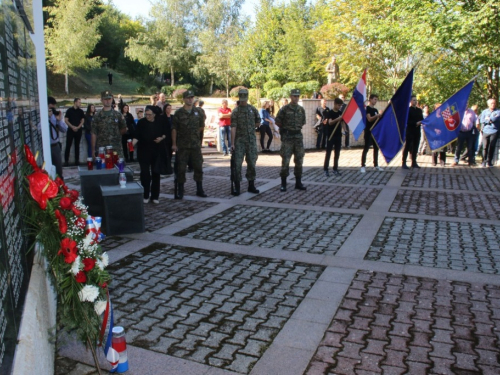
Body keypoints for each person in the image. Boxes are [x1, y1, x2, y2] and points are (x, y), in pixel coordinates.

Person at [172, 90, 207, 198]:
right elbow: (174, 129)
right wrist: (174, 144)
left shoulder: (199, 112)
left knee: (198, 167)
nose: (190, 99)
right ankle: (181, 190)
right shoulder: (179, 113)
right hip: (182, 145)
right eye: (188, 98)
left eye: (191, 97)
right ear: (184, 99)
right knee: (181, 168)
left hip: (195, 145)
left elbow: (201, 127)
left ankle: (199, 189)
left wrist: (194, 135)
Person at [133, 106, 167, 204]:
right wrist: (131, 145)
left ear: (154, 114)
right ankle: (145, 194)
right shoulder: (141, 122)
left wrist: (161, 138)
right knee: (145, 174)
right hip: (143, 151)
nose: (147, 116)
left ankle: (155, 196)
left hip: (156, 151)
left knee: (156, 173)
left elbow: (165, 133)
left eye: (149, 115)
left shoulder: (160, 122)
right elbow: (137, 136)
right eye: (146, 114)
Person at [230, 89, 261, 196]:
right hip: (239, 141)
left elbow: (258, 122)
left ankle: (251, 185)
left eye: (244, 99)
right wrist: (232, 143)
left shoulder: (252, 109)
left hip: (251, 141)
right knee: (237, 164)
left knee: (252, 163)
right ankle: (237, 186)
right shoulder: (236, 111)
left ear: (247, 97)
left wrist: (251, 127)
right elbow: (233, 127)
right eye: (241, 99)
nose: (243, 101)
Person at [275, 89, 307, 192]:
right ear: (290, 96)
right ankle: (283, 184)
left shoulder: (301, 110)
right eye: (294, 96)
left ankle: (298, 183)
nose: (296, 98)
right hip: (288, 138)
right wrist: (285, 129)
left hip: (298, 138)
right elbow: (277, 121)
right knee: (285, 161)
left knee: (299, 161)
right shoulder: (284, 109)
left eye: (297, 96)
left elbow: (302, 122)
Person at [91, 90, 127, 158]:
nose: (107, 101)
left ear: (112, 99)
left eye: (109, 99)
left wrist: (116, 134)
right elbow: (93, 133)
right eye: (105, 99)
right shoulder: (97, 116)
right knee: (103, 167)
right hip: (102, 150)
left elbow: (124, 129)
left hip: (116, 149)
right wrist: (93, 150)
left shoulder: (118, 115)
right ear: (101, 100)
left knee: (119, 167)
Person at [361, 94, 383, 173]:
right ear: (370, 99)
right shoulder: (367, 109)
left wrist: (379, 116)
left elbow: (377, 121)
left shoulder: (376, 110)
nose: (375, 101)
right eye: (374, 99)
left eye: (376, 99)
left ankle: (376, 165)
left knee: (376, 148)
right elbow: (369, 119)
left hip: (375, 132)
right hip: (368, 131)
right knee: (366, 148)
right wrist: (377, 116)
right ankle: (363, 165)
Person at [48, 96, 68, 179]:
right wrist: (47, 117)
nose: (53, 108)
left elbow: (64, 129)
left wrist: (59, 120)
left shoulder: (55, 116)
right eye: (52, 106)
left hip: (55, 145)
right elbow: (38, 129)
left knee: (58, 170)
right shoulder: (42, 115)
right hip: (46, 147)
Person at [402, 95, 424, 169]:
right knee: (407, 146)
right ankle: (403, 162)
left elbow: (422, 119)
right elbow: (407, 121)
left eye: (416, 100)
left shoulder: (419, 110)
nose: (415, 101)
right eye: (414, 100)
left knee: (415, 147)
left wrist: (421, 122)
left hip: (417, 131)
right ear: (410, 101)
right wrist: (415, 123)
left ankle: (414, 162)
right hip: (410, 131)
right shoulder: (408, 110)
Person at [324, 98, 344, 176]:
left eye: (340, 105)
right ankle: (326, 169)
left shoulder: (340, 112)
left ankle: (335, 168)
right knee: (328, 152)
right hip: (331, 135)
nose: (339, 107)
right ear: (335, 104)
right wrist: (337, 119)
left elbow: (342, 123)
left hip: (338, 135)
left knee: (337, 153)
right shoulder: (330, 112)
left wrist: (345, 130)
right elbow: (330, 122)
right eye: (338, 105)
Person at [479, 98, 500, 167]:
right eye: (491, 103)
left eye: (494, 103)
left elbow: (495, 118)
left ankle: (489, 161)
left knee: (492, 146)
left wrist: (488, 119)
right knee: (485, 147)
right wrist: (490, 120)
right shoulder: (484, 111)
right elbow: (482, 120)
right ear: (488, 104)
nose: (493, 105)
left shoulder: (498, 111)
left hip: (494, 131)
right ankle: (484, 161)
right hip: (485, 131)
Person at [64, 98, 85, 166]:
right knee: (68, 145)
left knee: (77, 145)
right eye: (79, 102)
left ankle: (77, 160)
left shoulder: (81, 111)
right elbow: (66, 120)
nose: (80, 103)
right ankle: (66, 161)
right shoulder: (69, 110)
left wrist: (78, 127)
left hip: (78, 130)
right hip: (70, 130)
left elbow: (82, 120)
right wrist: (72, 126)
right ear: (75, 102)